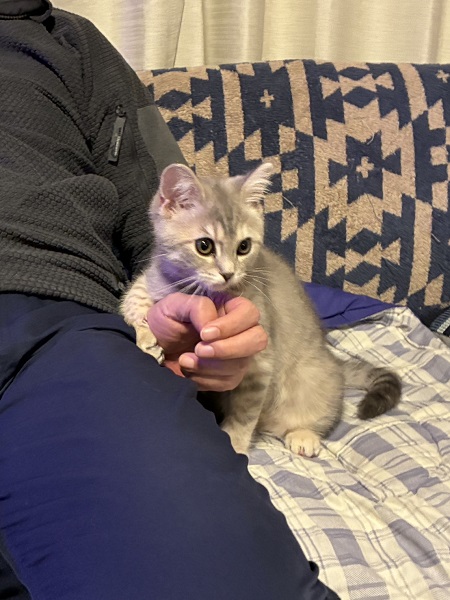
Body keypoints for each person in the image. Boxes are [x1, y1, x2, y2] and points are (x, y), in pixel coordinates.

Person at [0, 2, 339, 598]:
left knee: (226, 577)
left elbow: (152, 220)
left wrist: (171, 310)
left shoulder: (70, 41)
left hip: (46, 317)